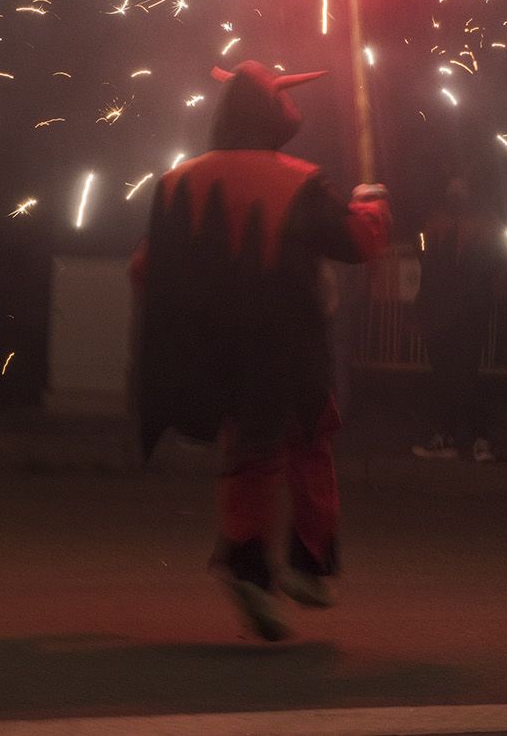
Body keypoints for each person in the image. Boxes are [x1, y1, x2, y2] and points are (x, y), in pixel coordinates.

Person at [131, 60, 391, 642]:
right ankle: (310, 562)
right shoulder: (300, 181)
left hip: (212, 356)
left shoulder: (176, 181)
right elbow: (359, 241)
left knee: (249, 456)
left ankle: (248, 566)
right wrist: (372, 201)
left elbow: (146, 269)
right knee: (307, 444)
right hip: (287, 350)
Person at [412, 175, 499, 462]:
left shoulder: (454, 229)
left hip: (458, 311)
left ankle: (473, 437)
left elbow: (431, 271)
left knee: (460, 376)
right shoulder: (454, 229)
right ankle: (457, 438)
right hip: (452, 311)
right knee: (453, 375)